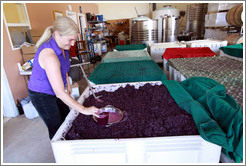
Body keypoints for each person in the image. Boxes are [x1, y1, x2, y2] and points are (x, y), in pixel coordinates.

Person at [28, 16, 99, 139]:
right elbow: (60, 93)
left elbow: (64, 69)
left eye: (75, 40)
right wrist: (84, 109)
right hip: (42, 95)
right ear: (57, 34)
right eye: (70, 40)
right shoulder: (49, 55)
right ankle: (60, 150)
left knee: (66, 117)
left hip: (56, 90)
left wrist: (68, 83)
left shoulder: (63, 47)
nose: (73, 44)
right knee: (56, 127)